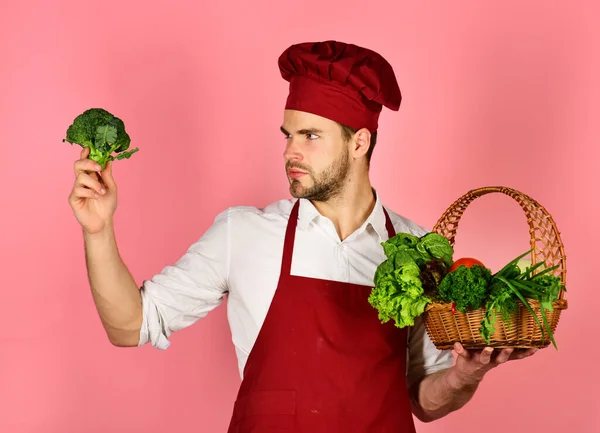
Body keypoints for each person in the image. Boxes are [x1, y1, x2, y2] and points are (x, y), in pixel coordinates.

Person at [68, 40, 538, 432]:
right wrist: (98, 230)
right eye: (287, 134)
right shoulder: (244, 233)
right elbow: (129, 326)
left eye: (310, 136)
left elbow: (425, 400)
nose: (290, 151)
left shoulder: (416, 249)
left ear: (359, 142)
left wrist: (464, 375)